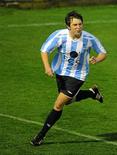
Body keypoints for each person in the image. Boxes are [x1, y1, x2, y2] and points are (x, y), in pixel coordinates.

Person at [30, 10, 107, 146]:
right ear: (68, 26)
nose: (78, 27)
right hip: (60, 72)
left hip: (78, 76)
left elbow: (103, 52)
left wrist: (97, 59)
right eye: (75, 25)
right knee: (68, 101)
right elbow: (44, 50)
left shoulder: (89, 39)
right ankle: (92, 93)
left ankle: (40, 136)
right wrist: (47, 67)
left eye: (80, 24)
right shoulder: (59, 36)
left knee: (59, 104)